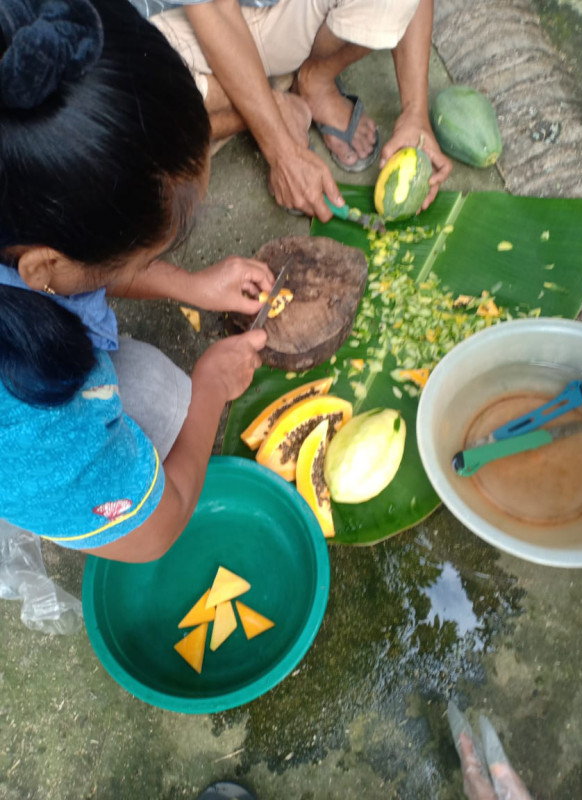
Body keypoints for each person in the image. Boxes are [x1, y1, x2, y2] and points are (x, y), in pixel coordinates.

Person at [0, 0, 272, 563]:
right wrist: (211, 388)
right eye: (135, 258)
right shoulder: (31, 422)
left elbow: (84, 265)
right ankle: (45, 507)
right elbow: (156, 532)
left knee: (149, 387)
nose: (137, 268)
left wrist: (189, 285)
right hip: (21, 443)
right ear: (44, 267)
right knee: (166, 398)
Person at [131, 0, 453, 222]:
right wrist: (281, 151)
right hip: (175, 27)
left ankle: (316, 79)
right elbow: (216, 9)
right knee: (127, 122)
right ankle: (274, 104)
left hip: (282, 12)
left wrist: (415, 114)